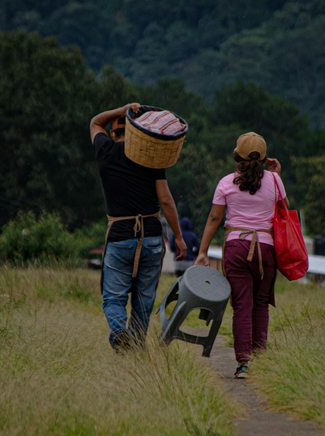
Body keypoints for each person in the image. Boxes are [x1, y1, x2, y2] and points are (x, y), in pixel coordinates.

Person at [90, 103, 187, 352]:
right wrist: (178, 236)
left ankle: (120, 332)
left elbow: (95, 122)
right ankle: (135, 348)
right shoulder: (151, 159)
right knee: (143, 300)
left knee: (113, 298)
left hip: (120, 236)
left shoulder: (105, 152)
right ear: (136, 133)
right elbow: (165, 200)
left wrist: (121, 109)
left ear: (113, 133)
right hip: (152, 237)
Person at [195, 132, 283, 379]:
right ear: (265, 158)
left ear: (237, 156)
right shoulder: (275, 181)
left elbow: (214, 218)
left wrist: (203, 251)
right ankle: (261, 362)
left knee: (242, 306)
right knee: (261, 304)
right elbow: (280, 209)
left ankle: (244, 364)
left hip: (236, 247)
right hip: (266, 249)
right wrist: (277, 174)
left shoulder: (226, 183)